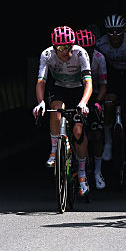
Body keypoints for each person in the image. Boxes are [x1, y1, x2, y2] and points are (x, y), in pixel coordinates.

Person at [33, 26, 93, 196]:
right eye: (61, 48)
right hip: (59, 88)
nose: (66, 51)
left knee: (78, 131)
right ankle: (54, 151)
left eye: (69, 47)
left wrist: (83, 102)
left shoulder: (81, 53)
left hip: (78, 90)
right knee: (55, 110)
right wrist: (41, 102)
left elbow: (88, 82)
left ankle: (81, 174)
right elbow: (41, 81)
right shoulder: (47, 55)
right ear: (54, 48)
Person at [94, 14, 126, 170]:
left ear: (123, 31)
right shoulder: (100, 44)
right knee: (108, 104)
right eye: (110, 32)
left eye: (118, 31)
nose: (114, 36)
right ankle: (108, 142)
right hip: (112, 76)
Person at [76, 28, 109, 189]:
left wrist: (98, 102)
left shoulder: (98, 58)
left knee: (97, 134)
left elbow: (103, 85)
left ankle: (97, 171)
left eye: (89, 49)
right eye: (83, 49)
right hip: (76, 93)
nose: (86, 52)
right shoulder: (72, 57)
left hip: (94, 94)